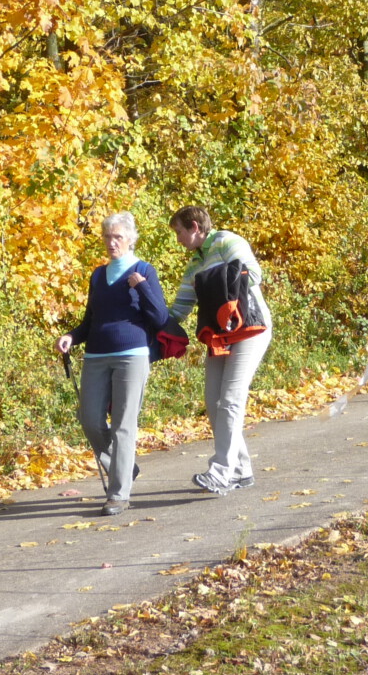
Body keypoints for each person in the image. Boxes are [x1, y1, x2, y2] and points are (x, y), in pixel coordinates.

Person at [57, 213, 168, 516]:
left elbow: (160, 317)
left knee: (123, 425)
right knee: (90, 419)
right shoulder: (97, 275)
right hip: (95, 355)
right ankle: (123, 466)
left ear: (131, 239)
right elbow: (91, 320)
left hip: (132, 355)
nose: (111, 242)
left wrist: (142, 287)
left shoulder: (144, 270)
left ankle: (118, 494)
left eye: (117, 236)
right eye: (107, 236)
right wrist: (71, 336)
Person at [169, 206, 270, 495]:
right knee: (214, 402)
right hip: (220, 336)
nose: (178, 239)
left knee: (230, 400)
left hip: (251, 328)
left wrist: (215, 285)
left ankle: (221, 473)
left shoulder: (227, 241)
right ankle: (241, 470)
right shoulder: (193, 266)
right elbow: (178, 311)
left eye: (179, 232)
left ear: (194, 227)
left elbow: (253, 276)